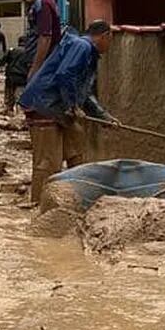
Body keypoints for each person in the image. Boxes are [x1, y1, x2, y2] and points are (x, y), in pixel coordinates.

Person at [18, 19, 119, 203]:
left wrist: (103, 116)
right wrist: (72, 105)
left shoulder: (86, 51)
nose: (110, 45)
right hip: (44, 105)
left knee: (77, 149)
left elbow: (85, 93)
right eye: (111, 40)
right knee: (48, 162)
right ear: (105, 36)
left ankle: (77, 197)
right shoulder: (82, 46)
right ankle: (40, 205)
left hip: (58, 107)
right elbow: (65, 74)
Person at [18, 0, 62, 81]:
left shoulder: (43, 3)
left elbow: (45, 38)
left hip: (45, 64)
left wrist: (35, 69)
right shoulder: (40, 2)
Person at [0, 36, 29, 113]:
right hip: (22, 79)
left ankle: (7, 116)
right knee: (20, 99)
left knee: (8, 101)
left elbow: (0, 61)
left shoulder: (11, 50)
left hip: (10, 77)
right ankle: (19, 117)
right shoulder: (29, 52)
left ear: (18, 42)